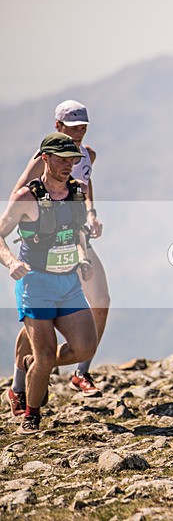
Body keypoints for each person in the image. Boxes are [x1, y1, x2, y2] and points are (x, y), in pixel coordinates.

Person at [8, 100, 108, 404]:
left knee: (101, 301)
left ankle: (81, 370)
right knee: (35, 326)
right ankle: (19, 382)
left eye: (83, 128)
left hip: (76, 241)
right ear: (58, 126)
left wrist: (90, 214)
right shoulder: (43, 159)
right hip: (43, 251)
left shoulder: (87, 155)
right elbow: (19, 194)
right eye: (73, 128)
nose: (78, 133)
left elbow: (84, 188)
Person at [0, 132, 98, 434]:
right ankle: (31, 415)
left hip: (68, 282)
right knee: (45, 356)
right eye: (62, 160)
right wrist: (11, 261)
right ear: (45, 159)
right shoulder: (26, 197)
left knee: (84, 348)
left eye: (73, 160)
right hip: (36, 284)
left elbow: (78, 231)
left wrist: (83, 257)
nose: (69, 165)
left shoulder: (77, 193)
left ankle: (33, 369)